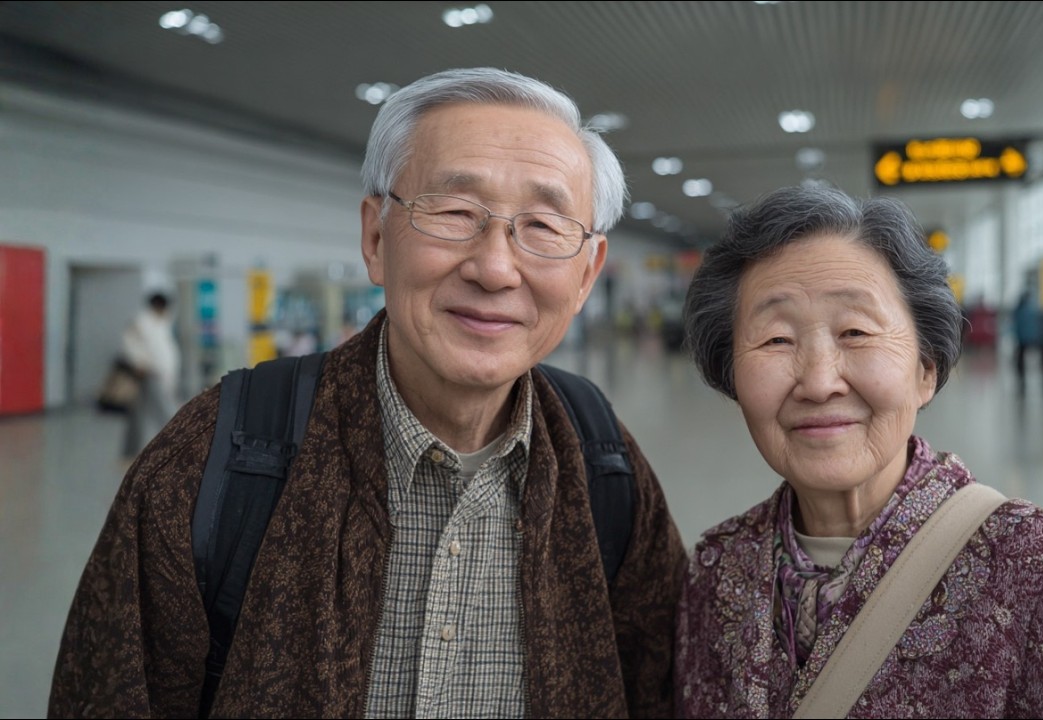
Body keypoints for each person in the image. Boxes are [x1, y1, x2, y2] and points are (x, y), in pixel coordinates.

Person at [49, 68, 687, 718]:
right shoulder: (220, 457)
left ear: (586, 275)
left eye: (545, 226)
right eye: (455, 212)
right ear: (376, 238)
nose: (496, 268)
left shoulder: (605, 470)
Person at [675, 186, 1043, 718]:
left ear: (926, 370)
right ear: (732, 377)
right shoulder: (715, 571)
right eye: (775, 340)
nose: (817, 381)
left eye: (855, 331)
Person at [119, 292, 181, 460]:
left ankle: (128, 453)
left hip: (161, 374)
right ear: (158, 306)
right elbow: (128, 343)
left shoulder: (162, 322)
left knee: (137, 415)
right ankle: (175, 449)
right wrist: (139, 363)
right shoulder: (141, 321)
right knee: (165, 412)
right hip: (149, 373)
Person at [1011, 287, 1043, 393]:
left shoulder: (1019, 309)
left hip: (1021, 338)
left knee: (1020, 358)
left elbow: (1015, 324)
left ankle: (1021, 376)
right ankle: (1039, 372)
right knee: (1034, 356)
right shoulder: (1034, 309)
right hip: (1032, 337)